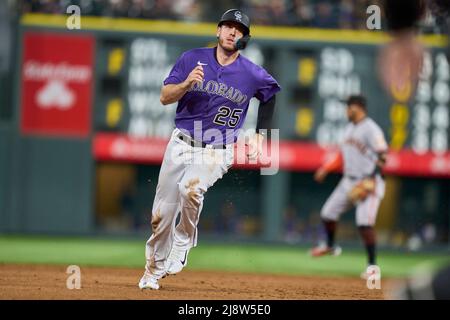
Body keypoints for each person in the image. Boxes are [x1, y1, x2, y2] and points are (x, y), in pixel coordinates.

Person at [138, 9, 281, 290]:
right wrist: (186, 83)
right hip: (181, 143)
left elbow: (270, 95)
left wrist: (262, 135)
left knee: (190, 189)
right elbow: (165, 97)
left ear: (244, 39)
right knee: (161, 215)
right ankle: (152, 272)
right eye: (227, 26)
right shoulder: (192, 59)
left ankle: (183, 240)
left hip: (218, 147)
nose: (232, 32)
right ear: (217, 31)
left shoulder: (252, 73)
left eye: (238, 29)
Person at [310, 95, 388, 279]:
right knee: (327, 213)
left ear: (358, 108)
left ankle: (372, 267)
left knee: (364, 223)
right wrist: (325, 169)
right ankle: (330, 245)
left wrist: (371, 178)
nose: (346, 110)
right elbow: (342, 156)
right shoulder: (348, 129)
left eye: (349, 107)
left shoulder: (371, 129)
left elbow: (383, 156)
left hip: (369, 182)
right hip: (348, 180)